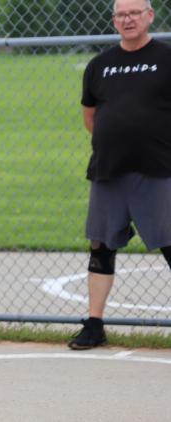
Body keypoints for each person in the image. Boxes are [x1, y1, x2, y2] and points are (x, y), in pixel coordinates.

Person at [72, 0, 171, 350]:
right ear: (114, 21)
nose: (127, 19)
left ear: (149, 16)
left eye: (134, 13)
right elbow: (90, 116)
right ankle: (94, 324)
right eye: (121, 14)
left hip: (159, 168)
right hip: (109, 169)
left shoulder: (166, 57)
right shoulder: (100, 65)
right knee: (100, 247)